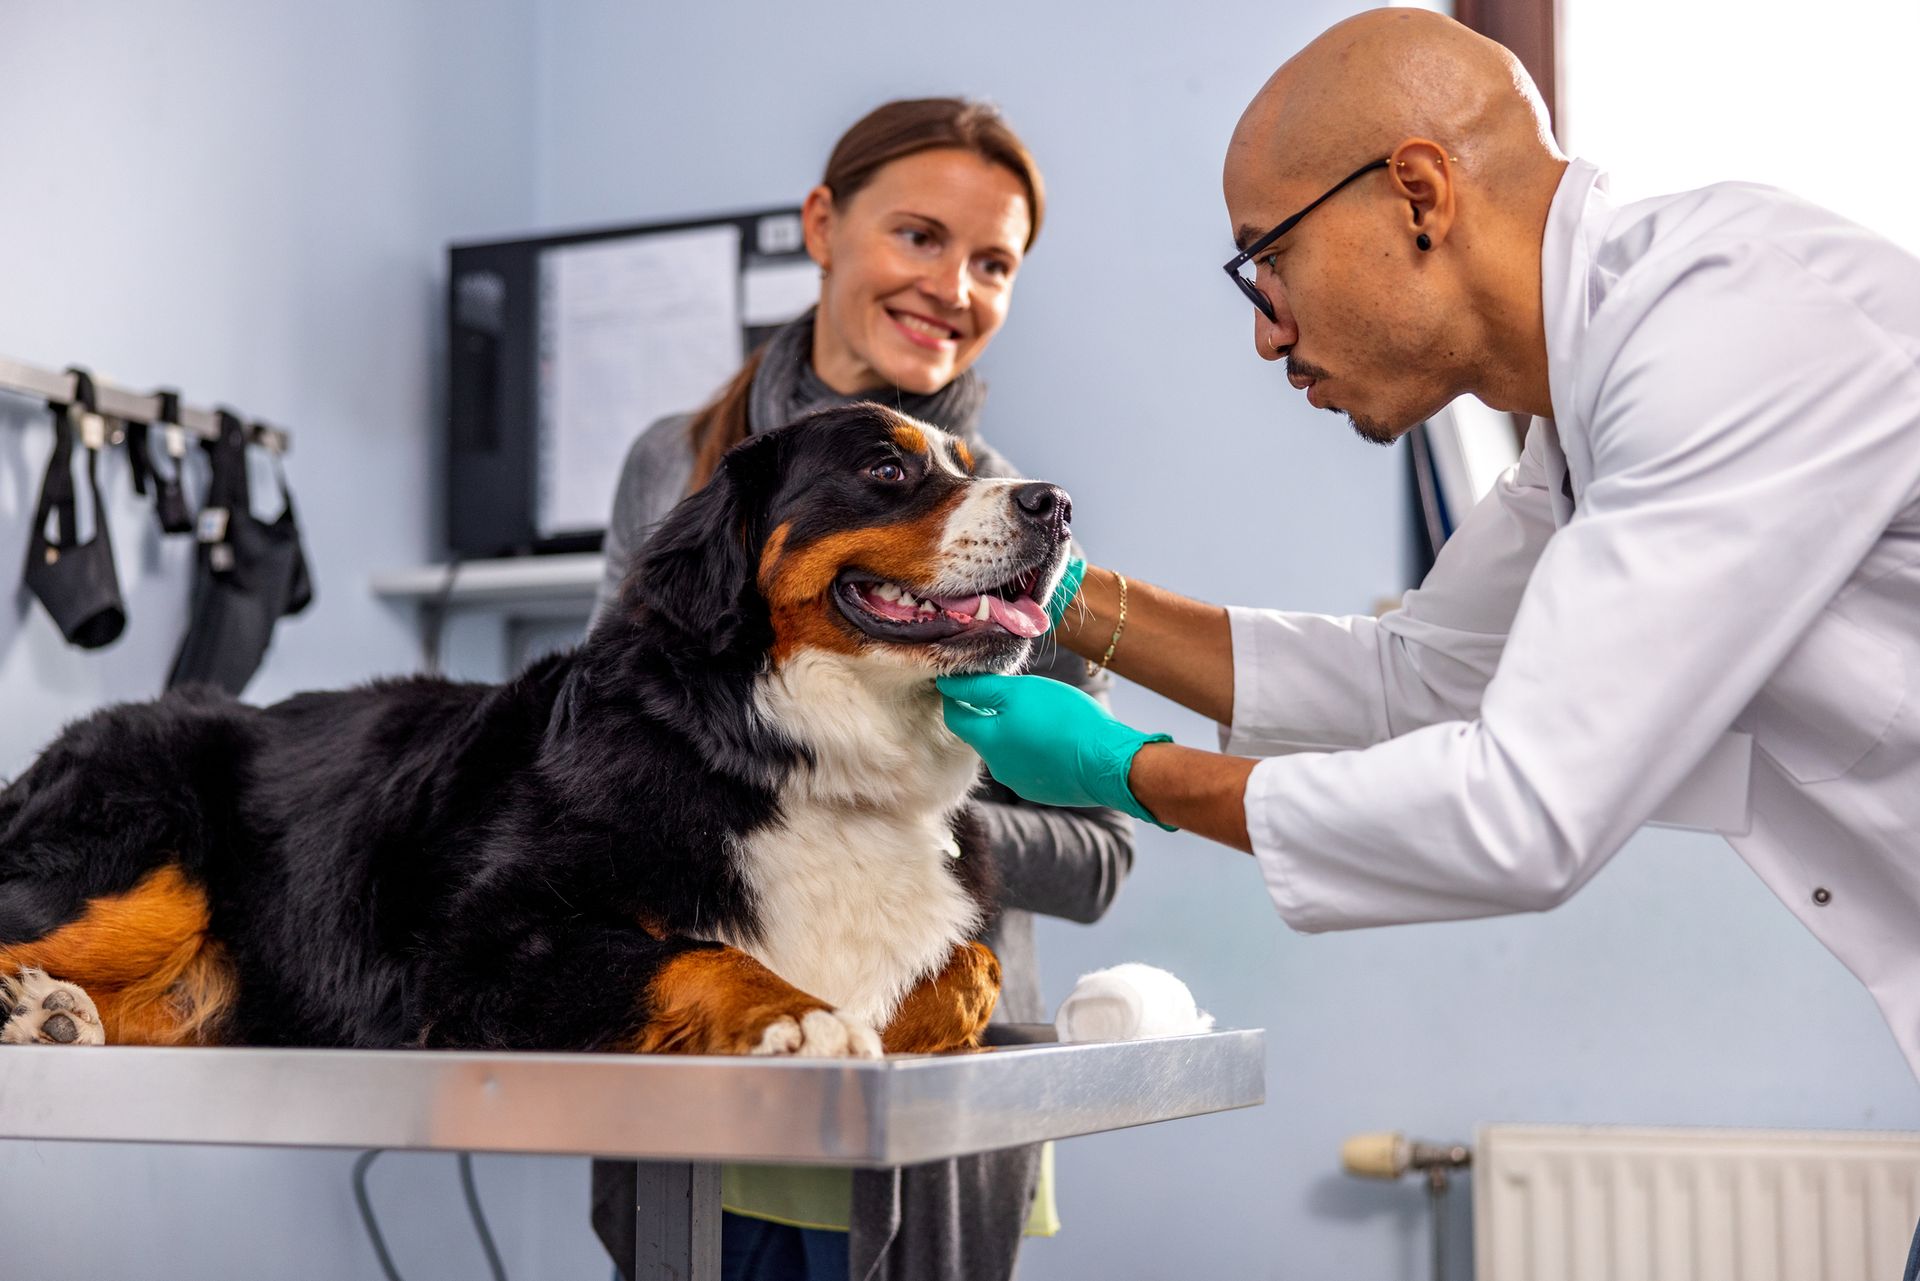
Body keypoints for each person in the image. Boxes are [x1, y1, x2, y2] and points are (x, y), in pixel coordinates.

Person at [937, 7, 1920, 1266]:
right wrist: (1060, 593)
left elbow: (1523, 810)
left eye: (1266, 262)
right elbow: (1414, 680)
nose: (1266, 330)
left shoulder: (1725, 332)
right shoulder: (1584, 420)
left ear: (1416, 192)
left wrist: (1132, 773)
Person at [586, 97, 1135, 1281]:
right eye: (921, 236)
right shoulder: (675, 471)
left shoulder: (1020, 530)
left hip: (923, 1071)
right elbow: (584, 759)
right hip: (701, 1054)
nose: (956, 286)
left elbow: (1103, 857)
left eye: (996, 262)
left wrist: (870, 824)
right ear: (824, 225)